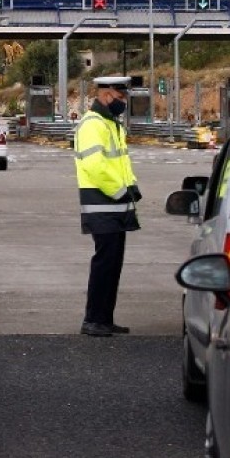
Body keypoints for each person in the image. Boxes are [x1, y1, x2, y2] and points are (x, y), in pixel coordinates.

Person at [73, 76, 141, 337]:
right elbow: (95, 166)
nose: (123, 102)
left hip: (115, 206)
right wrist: (120, 191)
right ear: (106, 95)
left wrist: (131, 186)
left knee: (113, 264)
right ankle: (93, 319)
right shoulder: (93, 125)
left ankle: (104, 318)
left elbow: (120, 163)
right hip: (102, 204)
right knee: (104, 263)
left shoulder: (111, 124)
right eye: (120, 97)